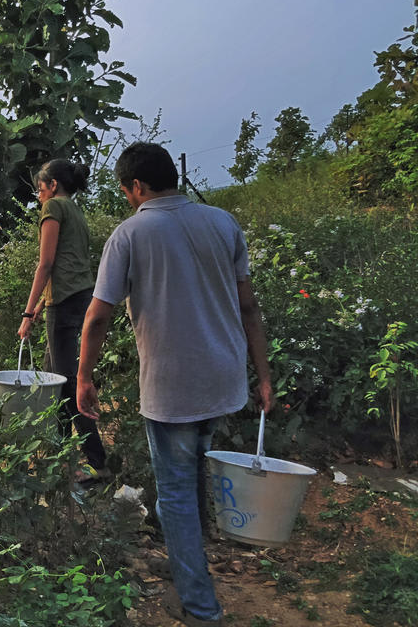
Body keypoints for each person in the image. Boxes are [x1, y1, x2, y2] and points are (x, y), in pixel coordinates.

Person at [75, 142, 274, 627]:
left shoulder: (130, 234)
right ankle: (189, 566)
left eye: (126, 191)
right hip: (224, 379)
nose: (127, 198)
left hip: (173, 388)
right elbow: (249, 307)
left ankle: (201, 607)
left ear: (137, 187)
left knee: (178, 492)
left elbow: (98, 317)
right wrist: (264, 376)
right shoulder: (222, 222)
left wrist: (83, 377)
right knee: (189, 480)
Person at [17, 158, 108, 481]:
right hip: (79, 296)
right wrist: (42, 303)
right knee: (52, 378)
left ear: (52, 185)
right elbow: (68, 262)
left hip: (66, 304)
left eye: (40, 189)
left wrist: (27, 314)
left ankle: (97, 462)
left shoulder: (53, 207)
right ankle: (57, 456)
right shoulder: (75, 209)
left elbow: (46, 263)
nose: (39, 196)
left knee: (66, 383)